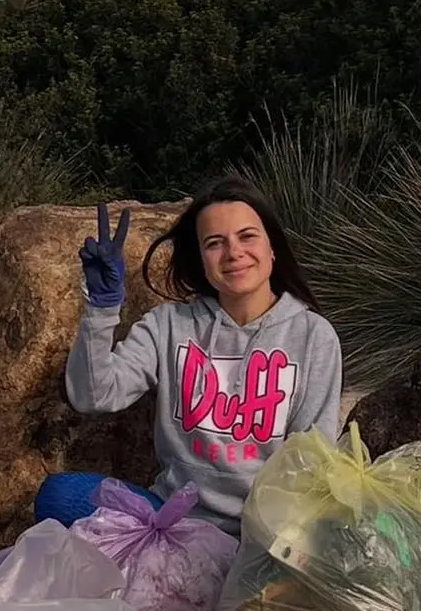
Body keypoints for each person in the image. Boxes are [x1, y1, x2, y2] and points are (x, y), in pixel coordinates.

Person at [37, 176, 344, 534]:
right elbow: (94, 395)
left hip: (260, 531)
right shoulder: (169, 325)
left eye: (247, 236)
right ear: (201, 259)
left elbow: (311, 459)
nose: (233, 253)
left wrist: (267, 546)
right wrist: (101, 310)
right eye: (215, 243)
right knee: (59, 496)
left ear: (272, 248)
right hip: (170, 519)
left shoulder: (313, 336)